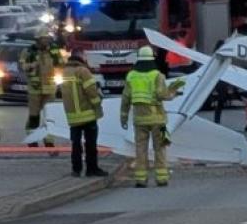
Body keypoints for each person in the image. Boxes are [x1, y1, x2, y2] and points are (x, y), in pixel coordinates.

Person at [120, 46, 184, 188]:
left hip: (139, 120)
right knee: (160, 148)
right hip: (158, 120)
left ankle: (141, 179)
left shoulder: (131, 76)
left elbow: (125, 98)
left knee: (140, 149)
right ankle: (161, 178)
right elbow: (162, 95)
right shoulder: (157, 75)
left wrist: (123, 117)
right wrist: (173, 92)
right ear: (152, 59)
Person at [60, 49, 107, 177]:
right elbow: (91, 92)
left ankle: (76, 169)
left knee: (76, 144)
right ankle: (91, 169)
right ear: (81, 57)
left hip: (72, 115)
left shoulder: (65, 71)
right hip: (87, 114)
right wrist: (98, 104)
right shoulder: (83, 71)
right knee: (90, 144)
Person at [20, 28, 64, 149]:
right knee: (34, 116)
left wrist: (58, 58)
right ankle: (32, 138)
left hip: (50, 88)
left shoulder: (53, 51)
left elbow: (61, 64)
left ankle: (49, 140)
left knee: (49, 116)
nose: (47, 41)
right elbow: (22, 66)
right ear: (38, 40)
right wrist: (32, 65)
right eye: (44, 39)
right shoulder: (29, 51)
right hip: (35, 88)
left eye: (48, 39)